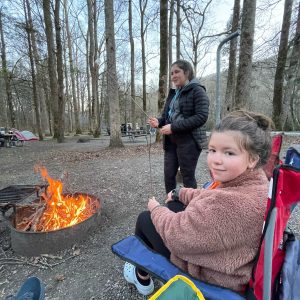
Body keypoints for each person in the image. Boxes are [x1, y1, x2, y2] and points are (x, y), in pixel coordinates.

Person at [123, 110, 274, 296]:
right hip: (230, 258)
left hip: (213, 276)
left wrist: (156, 209)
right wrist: (181, 193)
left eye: (229, 152)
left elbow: (177, 236)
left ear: (252, 159)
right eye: (212, 150)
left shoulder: (228, 206)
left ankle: (141, 276)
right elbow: (210, 196)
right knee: (174, 206)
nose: (216, 160)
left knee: (146, 219)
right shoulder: (256, 181)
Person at [149, 59, 209, 194]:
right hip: (171, 141)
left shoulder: (198, 90)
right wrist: (158, 122)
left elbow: (201, 117)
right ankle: (171, 202)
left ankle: (191, 206)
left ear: (187, 72)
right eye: (171, 73)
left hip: (190, 141)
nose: (173, 76)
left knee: (187, 176)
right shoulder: (174, 94)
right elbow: (167, 117)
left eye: (177, 72)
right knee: (169, 174)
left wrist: (173, 127)